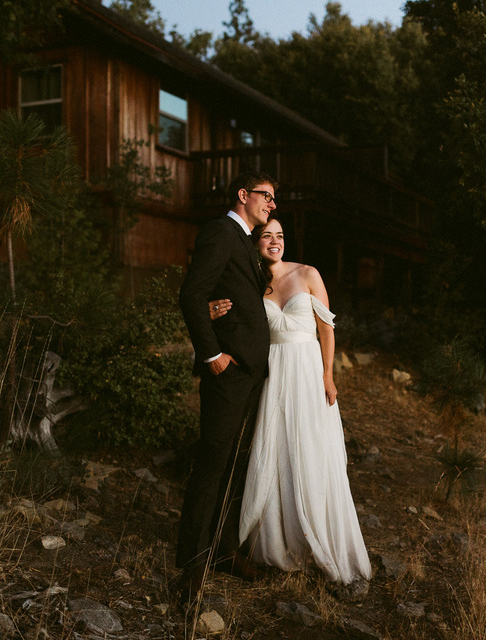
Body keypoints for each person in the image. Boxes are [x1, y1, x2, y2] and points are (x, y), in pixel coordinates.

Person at [210, 218, 372, 585]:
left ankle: (321, 532)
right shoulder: (255, 284)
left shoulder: (308, 273)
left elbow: (326, 329)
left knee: (312, 449)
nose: (274, 241)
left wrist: (327, 375)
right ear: (256, 243)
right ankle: (277, 538)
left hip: (308, 372)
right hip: (275, 375)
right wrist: (208, 310)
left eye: (280, 235)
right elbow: (235, 320)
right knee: (276, 449)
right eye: (266, 235)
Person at [174, 171, 277, 604]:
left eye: (273, 199)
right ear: (243, 194)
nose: (272, 204)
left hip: (252, 374)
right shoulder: (220, 231)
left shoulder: (247, 243)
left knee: (238, 464)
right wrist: (212, 354)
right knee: (212, 464)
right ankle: (192, 566)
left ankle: (223, 551)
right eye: (266, 196)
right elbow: (191, 294)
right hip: (228, 373)